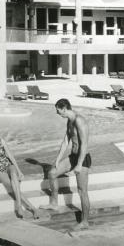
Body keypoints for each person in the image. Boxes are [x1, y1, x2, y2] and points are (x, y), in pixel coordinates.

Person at [39, 98, 91, 231]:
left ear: (64, 108)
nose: (57, 113)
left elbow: (84, 144)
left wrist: (79, 165)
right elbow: (65, 141)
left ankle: (85, 221)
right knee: (52, 173)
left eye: (58, 110)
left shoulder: (79, 120)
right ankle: (54, 203)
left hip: (82, 158)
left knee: (82, 190)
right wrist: (57, 159)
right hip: (73, 157)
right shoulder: (69, 120)